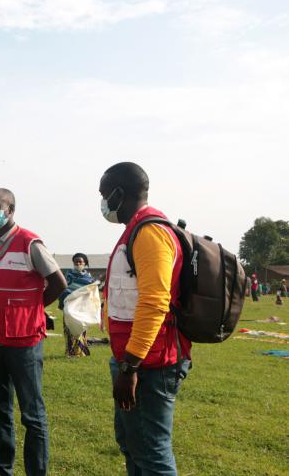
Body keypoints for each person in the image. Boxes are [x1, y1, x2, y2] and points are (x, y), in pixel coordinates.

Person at [99, 162, 192, 476]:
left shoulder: (150, 233)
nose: (102, 203)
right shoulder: (135, 230)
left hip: (150, 365)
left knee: (151, 454)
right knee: (133, 445)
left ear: (118, 194)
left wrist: (130, 366)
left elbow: (154, 303)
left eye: (103, 195)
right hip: (138, 362)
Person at [0, 188, 66, 476]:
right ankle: (2, 467)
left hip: (23, 340)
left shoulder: (29, 243)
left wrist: (34, 309)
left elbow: (59, 282)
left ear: (11, 209)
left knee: (32, 414)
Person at [58, 253, 95, 357]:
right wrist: (70, 295)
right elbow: (63, 289)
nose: (78, 264)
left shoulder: (88, 277)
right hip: (70, 307)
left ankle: (81, 352)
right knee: (70, 329)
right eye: (76, 262)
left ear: (85, 263)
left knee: (81, 329)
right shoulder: (68, 275)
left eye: (80, 262)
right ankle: (70, 352)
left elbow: (90, 291)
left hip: (81, 307)